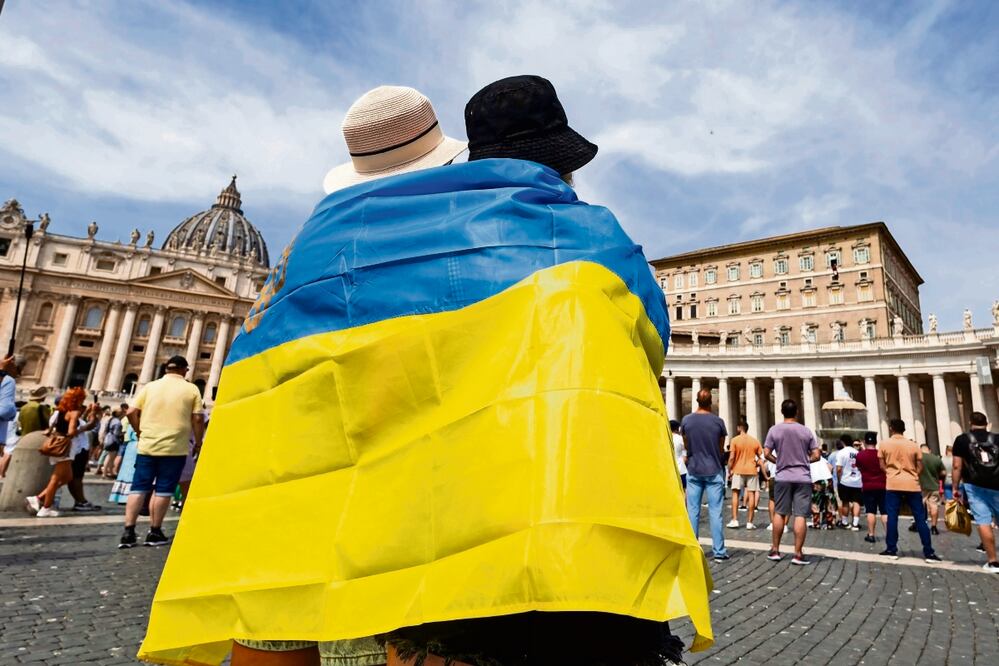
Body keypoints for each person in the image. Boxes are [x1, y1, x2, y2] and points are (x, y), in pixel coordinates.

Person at [141, 77, 708, 666]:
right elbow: (648, 344)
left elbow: (263, 391)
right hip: (521, 544)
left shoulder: (305, 251)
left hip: (329, 543)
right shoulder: (589, 240)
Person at [120, 355, 204, 548]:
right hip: (174, 447)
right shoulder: (191, 389)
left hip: (147, 445)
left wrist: (139, 430)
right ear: (185, 370)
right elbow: (198, 419)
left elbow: (131, 412)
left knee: (139, 487)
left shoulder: (150, 386)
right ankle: (154, 531)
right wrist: (198, 443)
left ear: (166, 369)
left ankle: (128, 531)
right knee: (163, 490)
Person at [25, 388, 98, 517]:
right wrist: (84, 427)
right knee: (57, 477)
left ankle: (41, 499)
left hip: (56, 445)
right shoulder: (74, 412)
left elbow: (50, 428)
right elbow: (71, 432)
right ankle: (44, 506)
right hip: (65, 447)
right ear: (78, 399)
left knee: (67, 477)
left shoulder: (59, 411)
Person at [764, 399, 820, 565]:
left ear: (782, 412)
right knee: (800, 515)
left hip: (782, 476)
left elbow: (766, 453)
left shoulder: (774, 430)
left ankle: (775, 550)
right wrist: (804, 461)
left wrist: (778, 461)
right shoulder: (806, 431)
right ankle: (797, 554)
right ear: (797, 412)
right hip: (802, 476)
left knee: (780, 513)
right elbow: (817, 455)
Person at [878, 419, 940, 562]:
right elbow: (920, 466)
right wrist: (913, 474)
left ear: (891, 429)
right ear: (904, 429)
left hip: (893, 483)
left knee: (892, 517)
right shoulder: (913, 445)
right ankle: (929, 552)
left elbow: (882, 465)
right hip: (912, 484)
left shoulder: (884, 444)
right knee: (920, 518)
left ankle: (891, 549)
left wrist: (890, 473)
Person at [682, 388, 729, 561]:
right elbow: (721, 448)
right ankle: (719, 551)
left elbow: (687, 445)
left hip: (694, 469)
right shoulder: (718, 422)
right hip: (713, 470)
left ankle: (693, 548)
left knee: (692, 511)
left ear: (696, 401)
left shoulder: (687, 421)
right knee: (715, 512)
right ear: (711, 402)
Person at [951, 412, 999, 573]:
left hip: (974, 484)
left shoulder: (962, 440)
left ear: (970, 422)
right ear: (986, 423)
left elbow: (957, 466)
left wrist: (955, 487)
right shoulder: (997, 438)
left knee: (983, 521)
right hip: (997, 484)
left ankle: (993, 561)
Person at [727, 418, 767, 529]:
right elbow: (762, 457)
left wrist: (729, 470)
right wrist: (758, 463)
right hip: (752, 470)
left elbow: (731, 458)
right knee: (752, 494)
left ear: (739, 428)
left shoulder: (734, 440)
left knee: (735, 494)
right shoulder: (754, 441)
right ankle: (750, 522)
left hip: (738, 469)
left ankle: (735, 520)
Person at [855, 431, 887, 543]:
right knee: (884, 511)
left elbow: (859, 468)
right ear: (876, 442)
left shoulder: (860, 455)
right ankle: (889, 534)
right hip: (883, 485)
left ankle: (871, 534)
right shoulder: (881, 454)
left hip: (868, 486)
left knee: (870, 511)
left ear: (864, 442)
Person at [915, 443, 945, 535]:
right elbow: (943, 473)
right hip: (934, 486)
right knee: (934, 506)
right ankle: (934, 527)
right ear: (929, 450)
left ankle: (919, 524)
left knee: (919, 506)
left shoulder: (918, 459)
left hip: (921, 486)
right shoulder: (936, 459)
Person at [835, 435, 863, 530]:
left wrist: (839, 479)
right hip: (857, 481)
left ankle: (845, 522)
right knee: (857, 502)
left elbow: (839, 469)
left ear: (843, 442)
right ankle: (855, 524)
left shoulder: (841, 453)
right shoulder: (857, 452)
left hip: (845, 481)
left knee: (845, 502)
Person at [670, 418, 687, 491]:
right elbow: (686, 452)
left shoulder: (664, 437)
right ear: (678, 428)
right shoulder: (680, 439)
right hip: (681, 468)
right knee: (684, 489)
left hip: (668, 469)